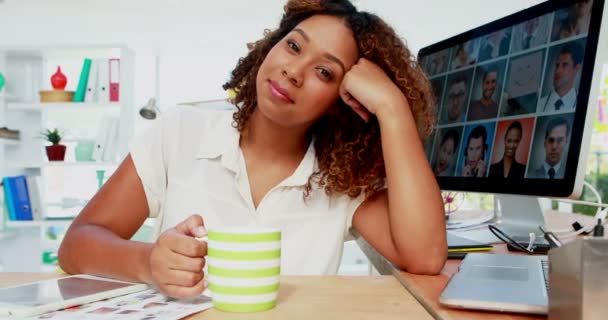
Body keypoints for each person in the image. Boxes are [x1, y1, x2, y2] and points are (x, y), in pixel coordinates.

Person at [58, 0, 447, 299]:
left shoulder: (341, 180)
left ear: (341, 100)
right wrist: (147, 262)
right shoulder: (180, 131)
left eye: (324, 72)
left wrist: (393, 109)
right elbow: (77, 245)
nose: (294, 72)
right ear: (270, 47)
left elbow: (426, 258)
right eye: (293, 46)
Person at [539, 43, 583, 112]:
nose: (557, 71)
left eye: (565, 65)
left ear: (576, 69)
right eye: (557, 65)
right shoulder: (540, 104)